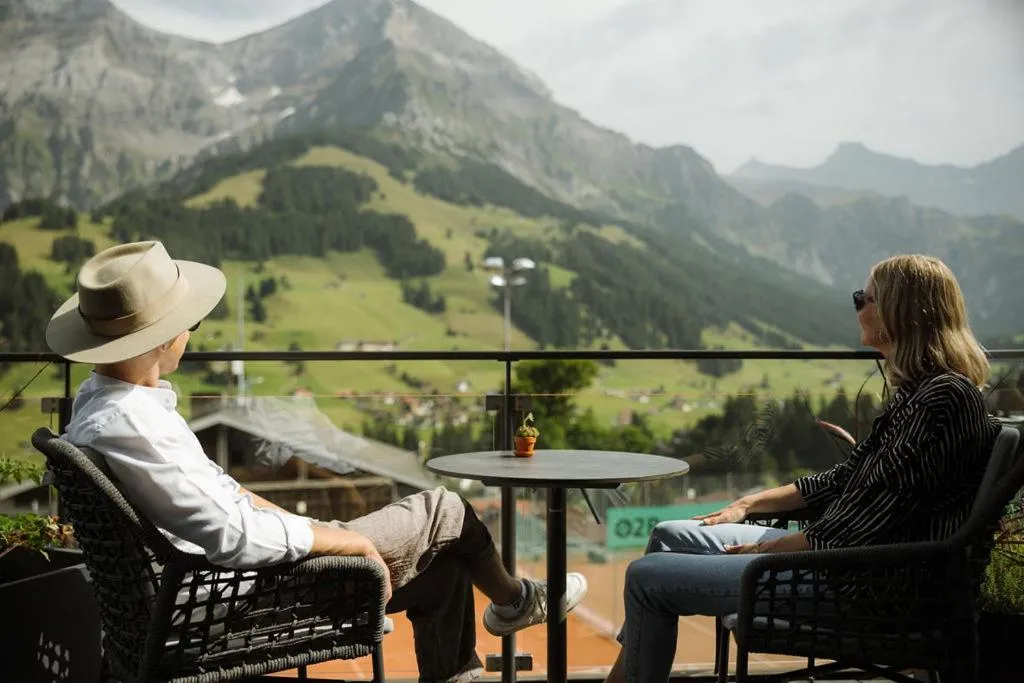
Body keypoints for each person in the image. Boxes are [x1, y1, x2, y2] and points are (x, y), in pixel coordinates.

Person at [45, 241, 588, 683]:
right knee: (445, 509)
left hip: (195, 595)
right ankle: (516, 602)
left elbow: (221, 496)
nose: (191, 331)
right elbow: (232, 535)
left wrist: (313, 526)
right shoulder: (134, 424)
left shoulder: (104, 408)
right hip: (232, 600)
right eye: (189, 323)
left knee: (444, 574)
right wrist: (345, 542)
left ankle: (501, 620)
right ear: (162, 338)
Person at [604, 254, 1001, 683]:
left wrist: (768, 551)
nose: (857, 307)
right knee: (669, 534)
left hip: (868, 586)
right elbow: (847, 481)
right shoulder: (923, 393)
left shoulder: (940, 401)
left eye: (863, 298)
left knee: (645, 578)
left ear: (899, 311)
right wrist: (748, 503)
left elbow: (866, 522)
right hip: (855, 563)